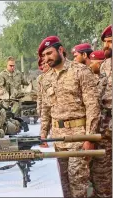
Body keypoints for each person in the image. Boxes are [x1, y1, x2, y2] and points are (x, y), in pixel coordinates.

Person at [39, 36, 100, 198]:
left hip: (78, 137)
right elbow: (46, 108)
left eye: (49, 53)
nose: (47, 58)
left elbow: (92, 106)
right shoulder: (46, 78)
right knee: (64, 185)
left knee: (78, 185)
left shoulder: (80, 71)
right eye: (44, 55)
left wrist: (90, 138)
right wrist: (43, 133)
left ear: (61, 50)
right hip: (58, 140)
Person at [90, 25, 112, 198]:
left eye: (110, 41)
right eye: (105, 41)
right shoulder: (104, 66)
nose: (106, 45)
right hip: (106, 124)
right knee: (102, 167)